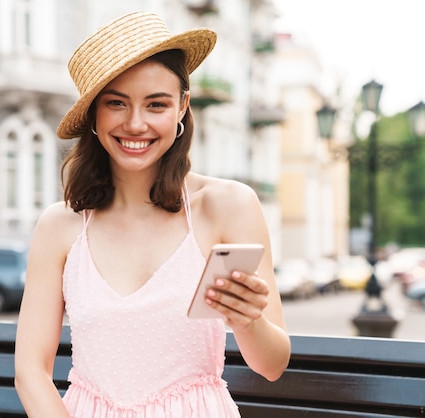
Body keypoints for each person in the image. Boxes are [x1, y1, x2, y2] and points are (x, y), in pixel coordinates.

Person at [15, 11, 291, 417]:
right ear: (94, 112)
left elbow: (271, 366)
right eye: (116, 103)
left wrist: (249, 321)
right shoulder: (60, 226)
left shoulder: (228, 206)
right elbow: (29, 371)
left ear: (182, 107)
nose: (136, 123)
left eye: (156, 104)